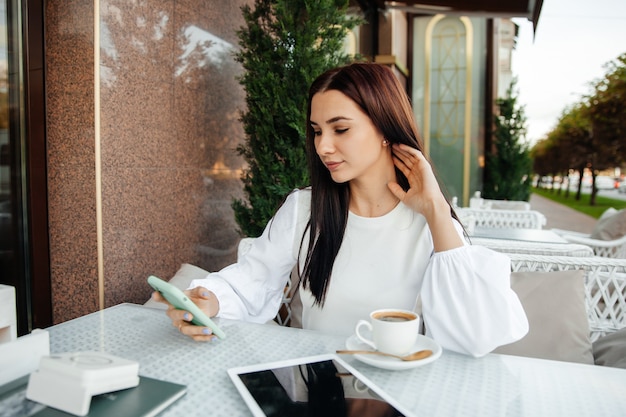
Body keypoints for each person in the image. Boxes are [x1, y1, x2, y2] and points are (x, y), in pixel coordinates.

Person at [154, 62, 528, 357]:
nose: (323, 147)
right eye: (317, 130)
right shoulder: (305, 209)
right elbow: (253, 279)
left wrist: (434, 209)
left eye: (340, 129)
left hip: (401, 393)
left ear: (384, 128)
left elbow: (475, 336)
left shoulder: (431, 223)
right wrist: (210, 301)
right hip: (321, 390)